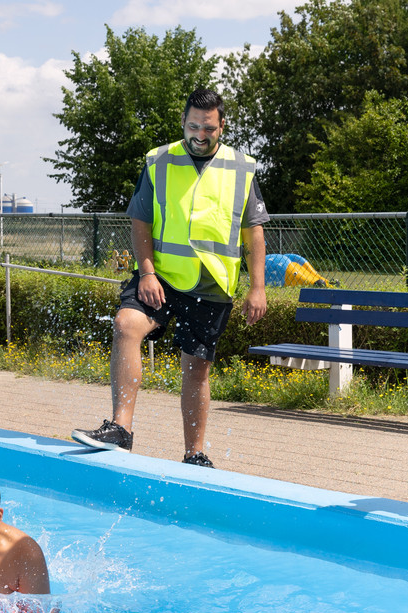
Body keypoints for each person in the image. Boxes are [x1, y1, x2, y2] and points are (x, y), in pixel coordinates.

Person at [71, 88, 269, 468]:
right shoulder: (159, 160)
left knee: (196, 370)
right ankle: (120, 430)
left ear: (222, 126)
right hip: (159, 277)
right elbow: (140, 221)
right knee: (125, 325)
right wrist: (147, 272)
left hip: (212, 285)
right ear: (183, 122)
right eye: (193, 126)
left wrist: (258, 287)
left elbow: (254, 232)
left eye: (208, 128)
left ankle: (194, 454)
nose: (200, 135)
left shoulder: (241, 167)